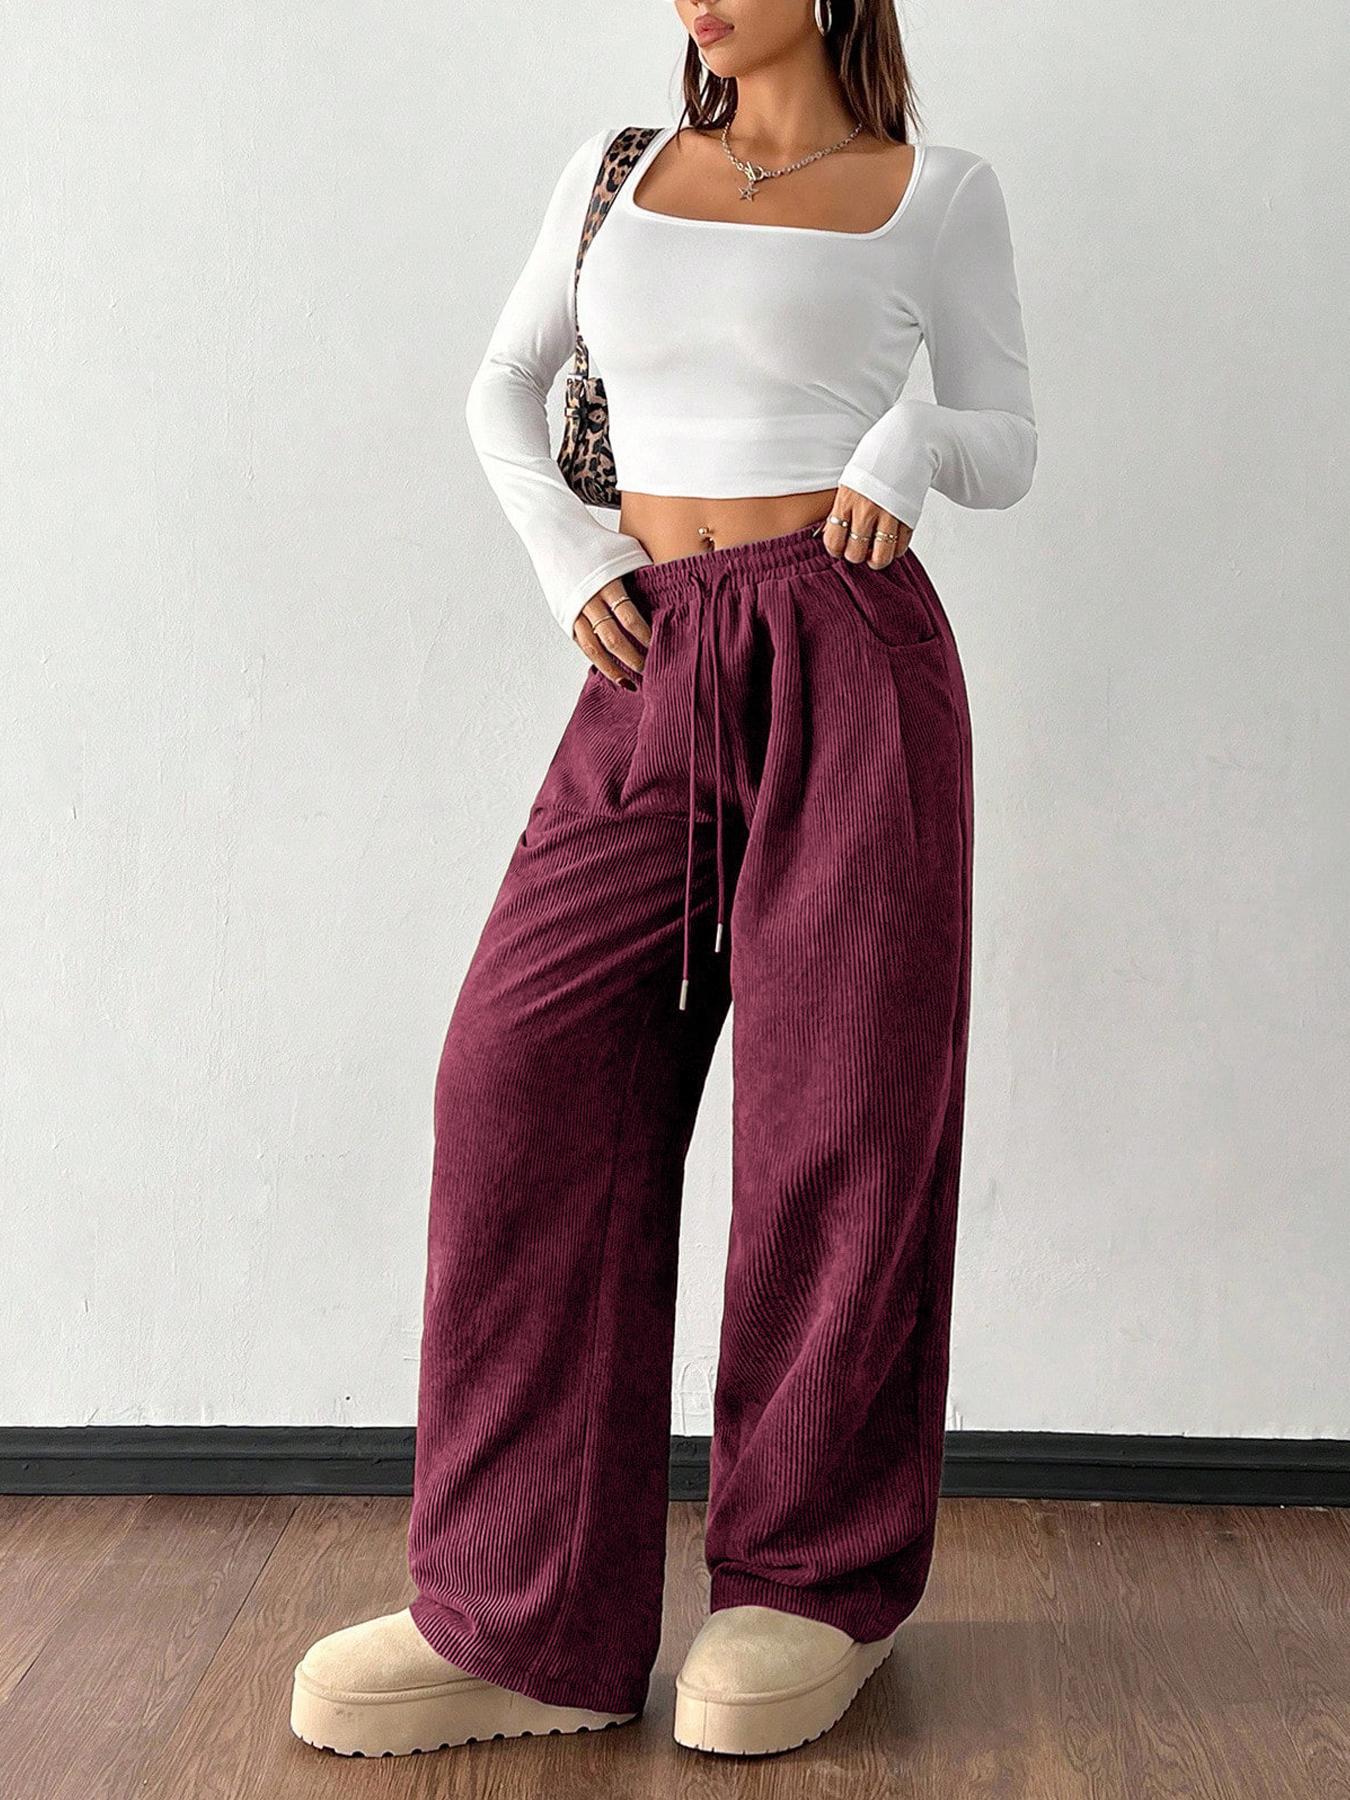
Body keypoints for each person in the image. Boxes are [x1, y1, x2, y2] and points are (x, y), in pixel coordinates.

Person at [290, 0, 1035, 1762]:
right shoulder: (616, 172)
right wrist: (566, 556)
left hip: (851, 647)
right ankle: (520, 1616)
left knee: (838, 1118)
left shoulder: (935, 189)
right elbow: (501, 383)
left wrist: (910, 445)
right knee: (520, 1074)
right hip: (649, 653)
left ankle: (808, 1585)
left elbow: (1007, 436)